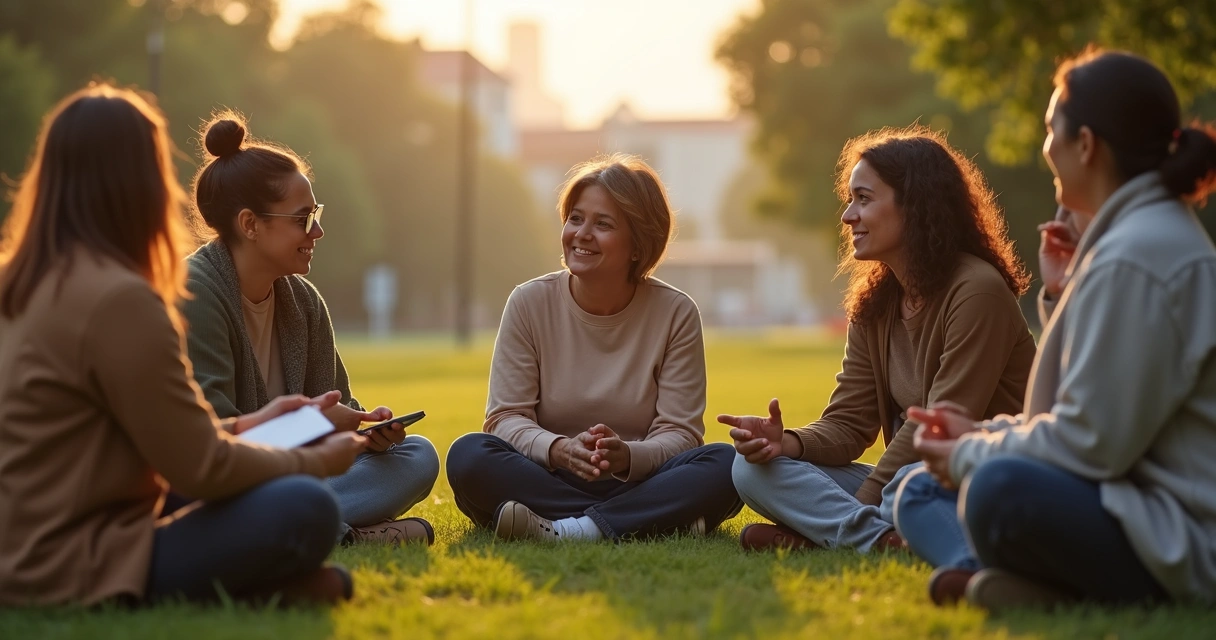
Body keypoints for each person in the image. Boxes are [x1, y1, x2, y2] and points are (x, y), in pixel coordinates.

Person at [0, 83, 368, 607]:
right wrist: (317, 461)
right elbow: (200, 469)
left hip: (20, 548)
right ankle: (253, 594)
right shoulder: (121, 299)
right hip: (74, 561)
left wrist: (251, 424)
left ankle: (265, 594)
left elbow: (161, 442)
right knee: (305, 506)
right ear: (139, 182)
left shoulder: (20, 280)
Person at [895, 47, 1216, 611]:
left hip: (1179, 536)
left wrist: (973, 452)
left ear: (1086, 145)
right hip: (1127, 497)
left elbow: (1089, 444)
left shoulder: (1137, 257)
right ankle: (1038, 588)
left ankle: (1053, 586)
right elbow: (1080, 410)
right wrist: (980, 434)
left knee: (998, 489)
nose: (1046, 148)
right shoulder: (1132, 243)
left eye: (1050, 130)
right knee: (920, 486)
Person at [720, 125, 1037, 554]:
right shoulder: (878, 301)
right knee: (750, 469)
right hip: (902, 480)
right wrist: (786, 443)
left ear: (915, 205)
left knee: (905, 484)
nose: (848, 215)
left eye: (863, 199)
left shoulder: (977, 291)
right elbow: (849, 424)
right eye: (850, 200)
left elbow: (937, 427)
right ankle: (877, 538)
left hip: (976, 476)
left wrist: (865, 500)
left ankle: (840, 534)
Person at [446, 154, 742, 542]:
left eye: (602, 224)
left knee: (728, 465)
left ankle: (572, 528)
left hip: (638, 479)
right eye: (575, 219)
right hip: (546, 474)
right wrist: (561, 450)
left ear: (638, 245)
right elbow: (505, 418)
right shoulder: (528, 302)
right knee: (469, 455)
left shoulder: (676, 312)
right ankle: (651, 520)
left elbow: (681, 433)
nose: (582, 234)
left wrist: (628, 456)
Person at [181, 113, 440, 546]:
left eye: (315, 214)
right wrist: (313, 425)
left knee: (417, 456)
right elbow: (212, 440)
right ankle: (334, 531)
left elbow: (337, 407)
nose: (317, 231)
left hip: (297, 477)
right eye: (302, 218)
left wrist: (367, 432)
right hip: (226, 481)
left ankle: (310, 523)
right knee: (265, 496)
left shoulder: (304, 302)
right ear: (250, 224)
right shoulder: (197, 292)